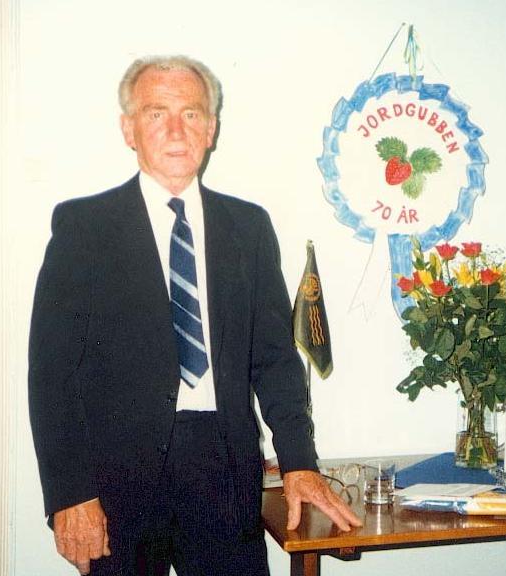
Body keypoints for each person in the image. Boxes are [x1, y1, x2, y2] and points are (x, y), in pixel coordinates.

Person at [28, 54, 361, 576]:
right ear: (128, 129)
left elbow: (274, 361)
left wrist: (299, 461)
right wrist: (69, 495)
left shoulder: (249, 228)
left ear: (211, 129)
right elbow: (51, 376)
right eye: (157, 113)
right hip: (117, 485)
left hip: (222, 474)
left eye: (192, 113)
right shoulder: (84, 228)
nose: (177, 129)